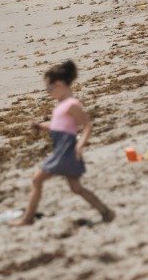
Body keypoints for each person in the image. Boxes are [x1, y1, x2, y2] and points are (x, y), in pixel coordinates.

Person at [12, 60, 115, 226]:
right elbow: (57, 126)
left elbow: (87, 125)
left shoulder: (72, 105)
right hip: (63, 150)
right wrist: (39, 126)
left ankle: (27, 219)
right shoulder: (61, 104)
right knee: (76, 188)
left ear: (59, 85)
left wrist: (80, 145)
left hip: (66, 152)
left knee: (37, 180)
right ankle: (106, 212)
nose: (48, 92)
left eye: (49, 89)